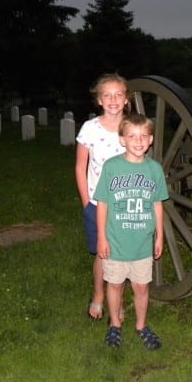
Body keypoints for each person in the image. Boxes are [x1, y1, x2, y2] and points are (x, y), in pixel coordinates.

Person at [94, 113, 168, 350]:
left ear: (151, 139)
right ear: (122, 139)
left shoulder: (154, 170)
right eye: (132, 136)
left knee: (141, 287)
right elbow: (103, 204)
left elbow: (158, 204)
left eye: (143, 136)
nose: (138, 141)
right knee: (114, 285)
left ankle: (141, 326)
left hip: (141, 245)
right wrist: (102, 238)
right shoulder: (112, 167)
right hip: (116, 243)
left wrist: (160, 236)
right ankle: (114, 324)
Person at [75, 73, 129, 320]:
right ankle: (98, 295)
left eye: (118, 94)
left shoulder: (131, 128)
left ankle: (118, 300)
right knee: (102, 253)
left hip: (125, 204)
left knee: (123, 254)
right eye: (107, 95)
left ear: (126, 99)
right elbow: (80, 166)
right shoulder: (90, 129)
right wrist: (87, 203)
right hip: (98, 204)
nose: (113, 99)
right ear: (99, 101)